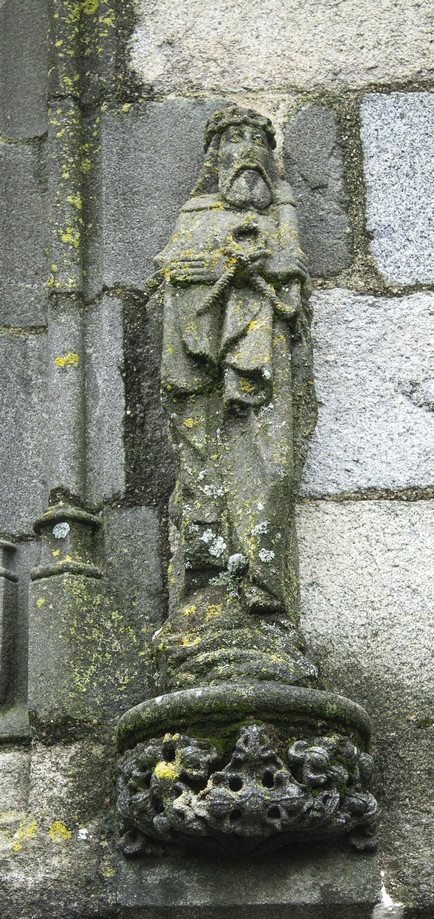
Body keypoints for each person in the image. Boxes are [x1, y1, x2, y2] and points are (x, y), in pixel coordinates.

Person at [147, 106, 316, 635]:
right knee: (203, 468)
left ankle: (264, 587)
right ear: (214, 157)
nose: (246, 149)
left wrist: (273, 266)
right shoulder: (195, 214)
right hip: (204, 361)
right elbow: (169, 275)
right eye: (233, 138)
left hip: (266, 359)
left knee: (274, 467)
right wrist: (218, 269)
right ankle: (210, 582)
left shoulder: (281, 213)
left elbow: (293, 290)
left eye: (257, 139)